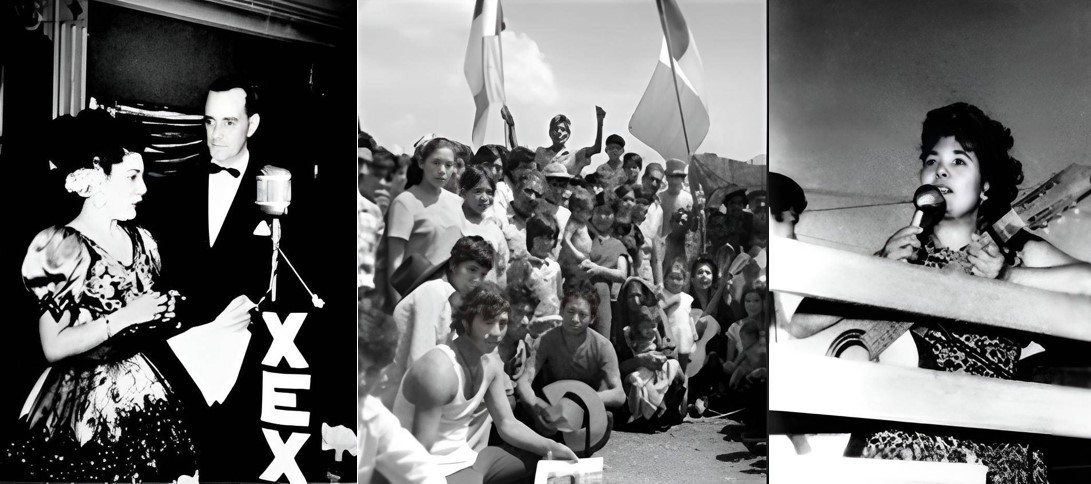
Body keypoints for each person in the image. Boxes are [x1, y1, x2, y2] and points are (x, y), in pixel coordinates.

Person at [824, 102, 1091, 481]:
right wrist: (880, 269)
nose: (941, 169)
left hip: (990, 433)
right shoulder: (901, 254)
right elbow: (802, 323)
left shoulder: (1012, 248)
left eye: (959, 161)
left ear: (985, 186)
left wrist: (1009, 279)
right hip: (906, 421)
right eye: (932, 161)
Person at [1, 110, 196, 481]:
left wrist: (164, 311)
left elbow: (145, 321)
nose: (144, 188)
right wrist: (126, 316)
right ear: (96, 178)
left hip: (142, 392)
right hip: (78, 405)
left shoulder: (143, 240)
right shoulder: (59, 246)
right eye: (132, 177)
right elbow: (52, 346)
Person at [137, 76, 284, 481]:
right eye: (209, 122)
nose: (216, 135)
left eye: (229, 122)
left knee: (233, 466)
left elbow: (293, 282)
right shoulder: (172, 187)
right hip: (182, 355)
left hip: (249, 365)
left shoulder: (280, 188)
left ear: (251, 124)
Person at [395, 283, 578, 483]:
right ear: (466, 322)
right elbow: (419, 452)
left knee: (542, 459)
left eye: (502, 323)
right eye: (488, 322)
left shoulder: (491, 364)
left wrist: (552, 446)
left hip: (468, 459)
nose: (497, 332)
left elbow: (507, 423)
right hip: (433, 470)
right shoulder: (438, 370)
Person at [378, 236, 495, 408]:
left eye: (483, 274)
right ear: (454, 265)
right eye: (472, 270)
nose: (477, 280)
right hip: (393, 398)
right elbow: (418, 361)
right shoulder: (434, 292)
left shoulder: (450, 298)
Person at [516, 282, 625, 436]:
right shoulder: (546, 340)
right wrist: (535, 408)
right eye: (570, 311)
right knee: (521, 409)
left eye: (582, 314)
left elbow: (619, 394)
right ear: (561, 311)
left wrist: (580, 399)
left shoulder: (603, 346)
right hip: (552, 408)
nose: (575, 319)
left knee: (607, 418)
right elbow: (524, 381)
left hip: (585, 410)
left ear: (592, 318)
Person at [359, 305, 443, 484]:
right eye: (357, 365)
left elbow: (423, 471)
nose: (362, 380)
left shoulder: (372, 415)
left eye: (372, 371)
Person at [385, 137, 466, 302]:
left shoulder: (458, 203)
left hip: (454, 301)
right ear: (422, 163)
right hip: (416, 299)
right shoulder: (405, 202)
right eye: (435, 163)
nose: (442, 170)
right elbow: (395, 262)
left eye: (448, 165)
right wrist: (398, 309)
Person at [615, 278, 686, 427]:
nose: (635, 300)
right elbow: (616, 367)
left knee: (674, 368)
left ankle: (661, 410)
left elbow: (670, 349)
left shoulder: (654, 314)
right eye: (630, 296)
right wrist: (640, 360)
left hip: (658, 373)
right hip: (634, 377)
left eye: (639, 295)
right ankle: (643, 414)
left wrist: (658, 359)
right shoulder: (621, 324)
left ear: (646, 296)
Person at [459, 165, 509, 286]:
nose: (484, 198)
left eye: (489, 192)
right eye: (478, 191)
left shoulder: (494, 230)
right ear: (464, 193)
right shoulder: (455, 224)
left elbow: (501, 272)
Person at [532, 108, 605, 176]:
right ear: (550, 132)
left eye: (562, 129)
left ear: (568, 134)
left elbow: (596, 148)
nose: (559, 132)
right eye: (556, 129)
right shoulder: (541, 152)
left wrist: (600, 120)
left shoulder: (574, 156)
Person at [660, 159, 694, 277]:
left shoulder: (689, 199)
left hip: (681, 244)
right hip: (662, 242)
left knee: (679, 273)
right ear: (667, 177)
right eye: (671, 176)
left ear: (682, 178)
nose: (674, 179)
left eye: (678, 176)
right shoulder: (660, 197)